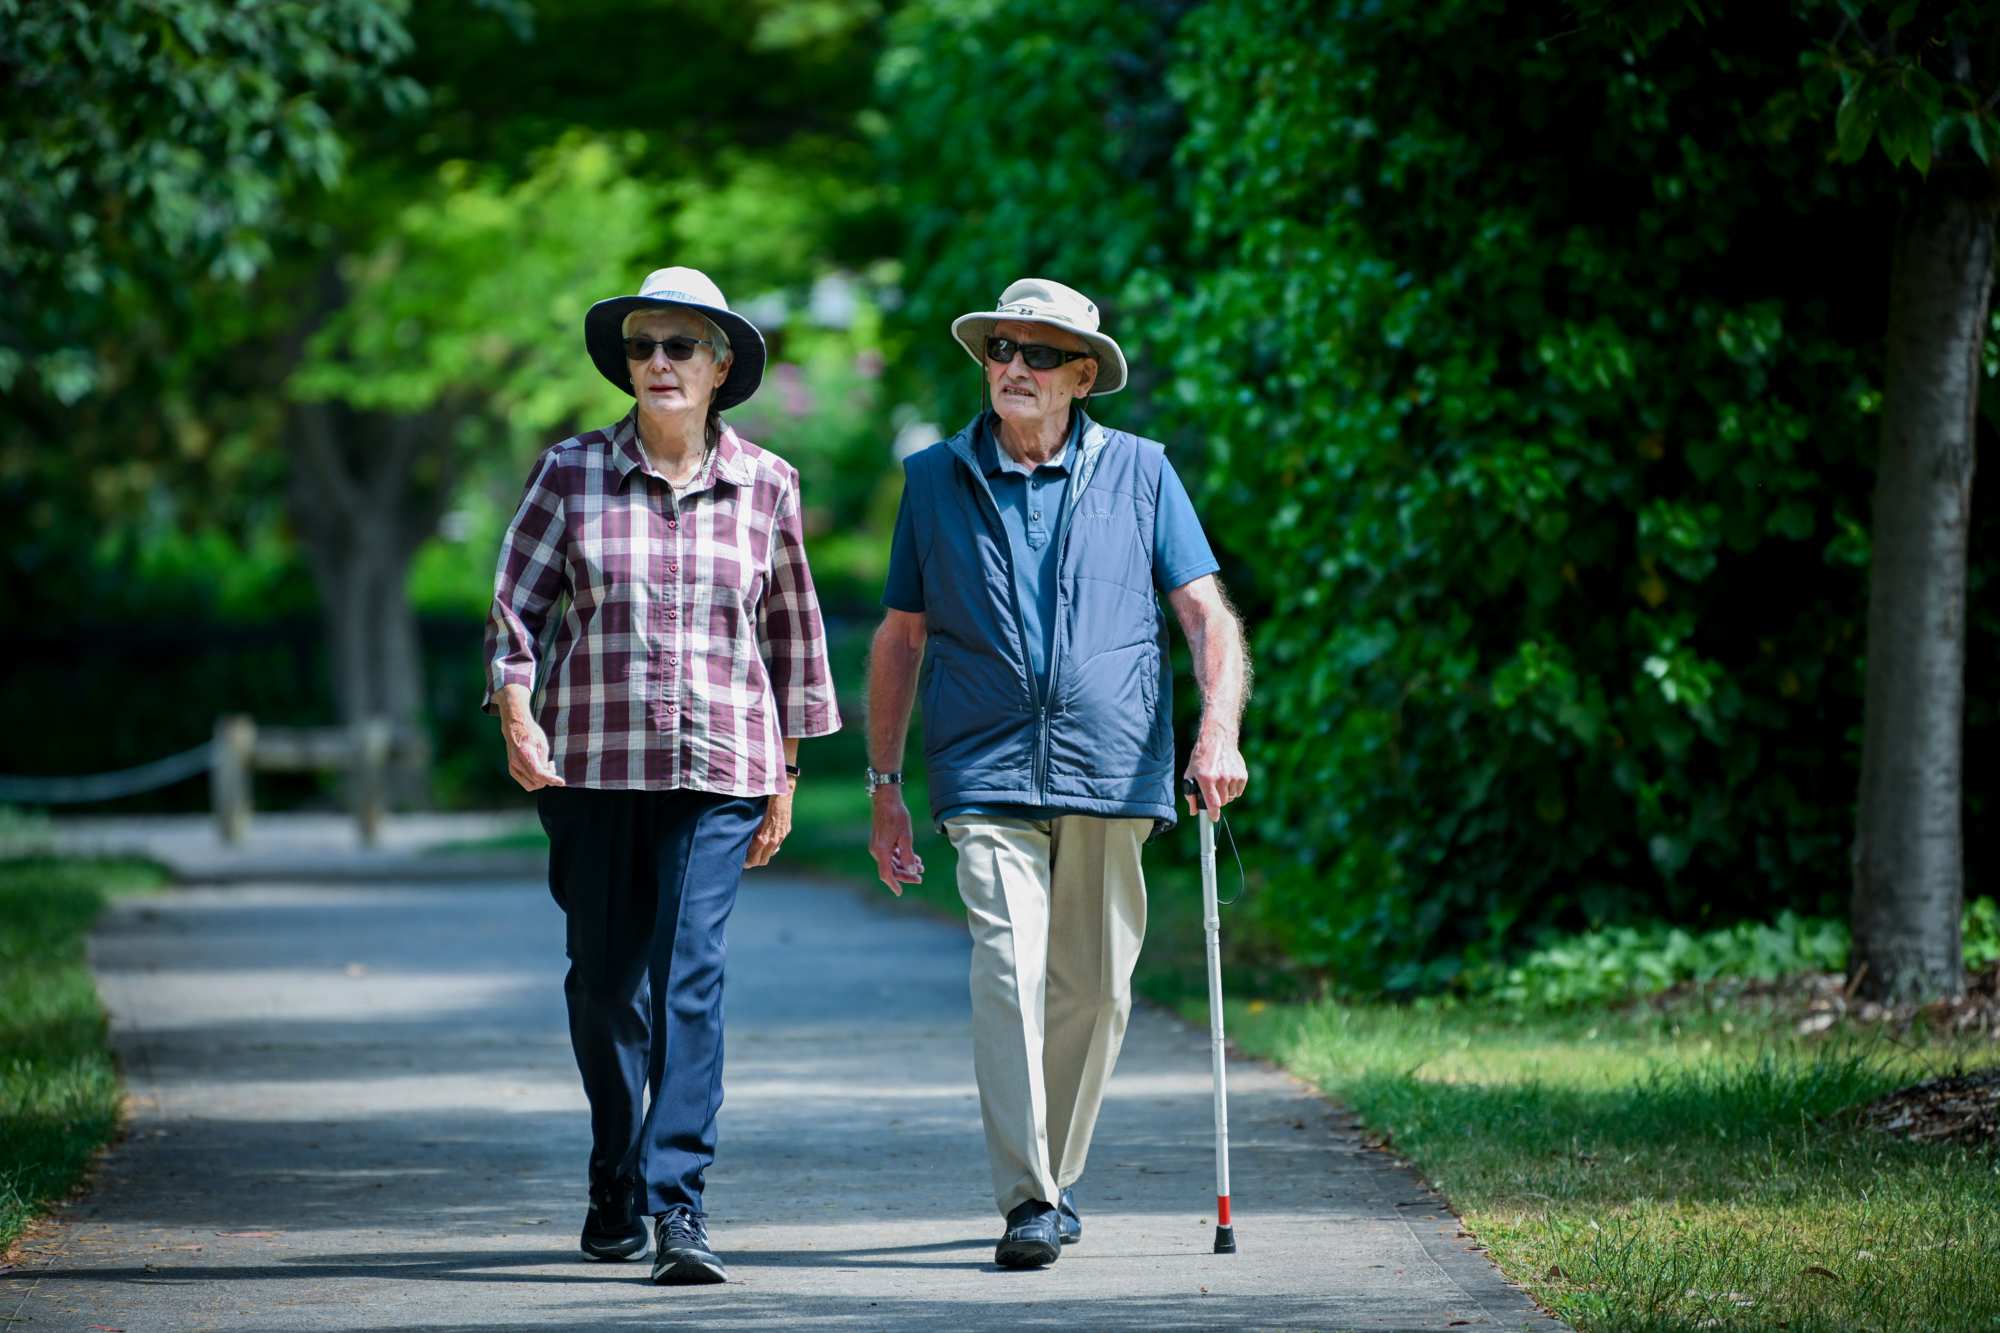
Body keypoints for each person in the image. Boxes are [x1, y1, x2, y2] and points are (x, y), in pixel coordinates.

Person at [865, 277, 1252, 1269]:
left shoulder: (1141, 472)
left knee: (1095, 989)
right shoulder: (931, 481)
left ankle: (1056, 1174)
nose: (1013, 369)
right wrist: (883, 784)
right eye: (1001, 349)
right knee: (1006, 965)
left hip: (1111, 763)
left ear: (1082, 375)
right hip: (981, 763)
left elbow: (1206, 616)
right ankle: (1028, 1194)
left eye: (1038, 355)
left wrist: (1217, 733)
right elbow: (901, 637)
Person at [485, 266, 839, 1285]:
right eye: (641, 347)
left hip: (721, 765)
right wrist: (516, 711)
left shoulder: (767, 483)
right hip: (593, 764)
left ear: (720, 366)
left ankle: (677, 1201)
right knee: (604, 986)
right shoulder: (569, 473)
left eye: (679, 347)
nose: (656, 363)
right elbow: (515, 609)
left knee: (691, 975)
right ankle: (615, 1163)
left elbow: (790, 630)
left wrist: (784, 773)